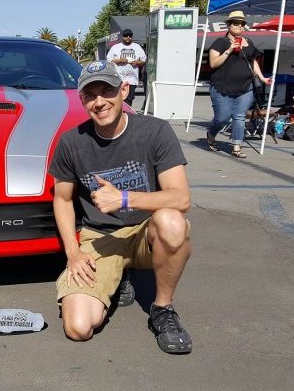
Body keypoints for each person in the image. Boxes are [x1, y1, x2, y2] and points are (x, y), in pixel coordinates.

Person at [49, 60, 194, 354]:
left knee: (172, 222)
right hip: (99, 237)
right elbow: (62, 199)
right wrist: (73, 252)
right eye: (90, 95)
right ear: (82, 100)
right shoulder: (71, 143)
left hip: (145, 233)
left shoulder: (155, 131)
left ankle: (162, 308)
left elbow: (181, 198)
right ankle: (117, 279)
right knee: (78, 327)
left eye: (107, 91)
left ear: (124, 90)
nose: (100, 102)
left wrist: (125, 198)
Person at [206, 10, 271, 158]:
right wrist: (229, 49)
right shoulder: (220, 42)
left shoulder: (248, 42)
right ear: (228, 25)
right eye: (236, 23)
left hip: (245, 87)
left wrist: (262, 77)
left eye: (242, 24)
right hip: (222, 87)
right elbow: (213, 63)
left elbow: (253, 61)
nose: (239, 26)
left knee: (239, 116)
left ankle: (236, 147)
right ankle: (211, 134)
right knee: (222, 118)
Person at [106, 28, 146, 107]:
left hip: (132, 79)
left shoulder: (137, 47)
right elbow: (109, 61)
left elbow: (143, 60)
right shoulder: (115, 47)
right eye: (126, 36)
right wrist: (120, 60)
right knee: (119, 98)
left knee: (129, 99)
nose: (128, 37)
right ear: (122, 37)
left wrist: (137, 62)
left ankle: (127, 115)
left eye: (130, 36)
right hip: (119, 78)